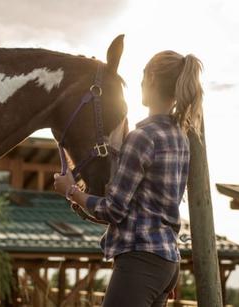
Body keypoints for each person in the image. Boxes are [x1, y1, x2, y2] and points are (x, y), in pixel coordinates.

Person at [54, 50, 203, 307]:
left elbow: (113, 209)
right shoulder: (180, 137)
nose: (141, 83)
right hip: (167, 261)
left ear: (152, 78)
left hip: (141, 261)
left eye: (143, 76)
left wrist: (71, 192)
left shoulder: (142, 138)